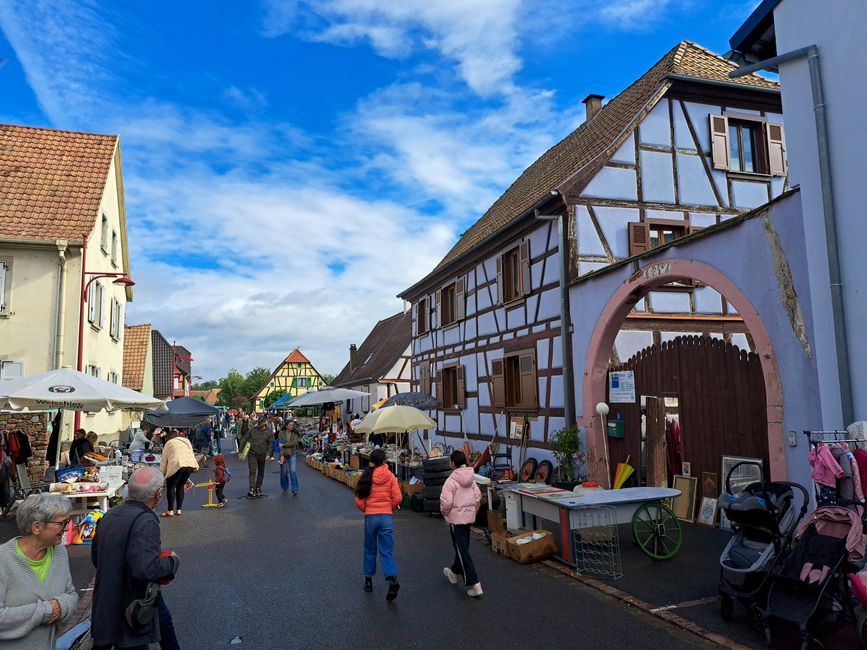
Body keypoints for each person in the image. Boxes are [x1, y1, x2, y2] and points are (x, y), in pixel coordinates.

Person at [91, 467, 180, 650]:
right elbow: (145, 569)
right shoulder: (146, 520)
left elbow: (96, 557)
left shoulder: (110, 515)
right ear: (159, 493)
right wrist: (172, 562)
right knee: (138, 640)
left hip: (108, 597)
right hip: (132, 601)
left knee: (164, 622)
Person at [0, 493, 78, 649]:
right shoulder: (3, 559)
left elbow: (71, 594)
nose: (67, 528)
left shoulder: (59, 552)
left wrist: (62, 606)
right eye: (62, 523)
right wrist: (46, 611)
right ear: (36, 527)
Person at [354, 448, 402, 601]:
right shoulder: (390, 476)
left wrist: (366, 509)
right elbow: (398, 497)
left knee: (369, 549)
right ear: (384, 461)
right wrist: (389, 507)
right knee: (386, 550)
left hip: (371, 517)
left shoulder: (366, 475)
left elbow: (359, 500)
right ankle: (392, 578)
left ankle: (368, 581)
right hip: (386, 517)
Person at [440, 450, 483, 597]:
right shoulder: (471, 479)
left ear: (453, 463)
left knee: (462, 549)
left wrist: (445, 514)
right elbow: (478, 497)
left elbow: (446, 503)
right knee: (461, 547)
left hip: (456, 520)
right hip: (468, 518)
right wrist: (472, 511)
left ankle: (475, 584)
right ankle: (453, 572)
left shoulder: (450, 481)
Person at [159, 430, 198, 517]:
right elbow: (191, 453)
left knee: (171, 487)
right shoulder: (186, 441)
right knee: (180, 486)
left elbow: (164, 460)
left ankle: (170, 511)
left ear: (169, 437)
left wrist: (162, 472)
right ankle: (179, 510)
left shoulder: (169, 443)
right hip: (189, 465)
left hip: (176, 465)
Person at [238, 415, 272, 497]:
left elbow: (270, 444)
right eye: (258, 423)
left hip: (263, 454)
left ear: (265, 423)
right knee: (252, 471)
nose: (259, 425)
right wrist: (240, 451)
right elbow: (245, 439)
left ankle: (258, 488)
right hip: (253, 453)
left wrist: (269, 454)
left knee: (261, 472)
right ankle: (252, 489)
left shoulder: (269, 432)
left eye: (261, 423)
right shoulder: (252, 430)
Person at [279, 419, 300, 496]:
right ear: (286, 426)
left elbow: (294, 443)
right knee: (284, 472)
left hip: (292, 453)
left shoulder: (295, 433)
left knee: (293, 471)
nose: (292, 426)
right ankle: (285, 487)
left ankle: (295, 489)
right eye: (290, 425)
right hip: (283, 454)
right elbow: (279, 445)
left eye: (292, 425)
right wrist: (281, 455)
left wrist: (284, 445)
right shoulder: (281, 433)